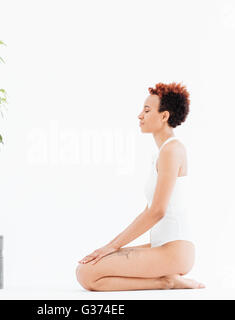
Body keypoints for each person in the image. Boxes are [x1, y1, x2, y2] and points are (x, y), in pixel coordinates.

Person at [76, 82, 205, 291]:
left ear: (164, 116)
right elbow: (151, 209)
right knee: (87, 269)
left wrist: (112, 246)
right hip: (162, 247)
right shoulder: (162, 152)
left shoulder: (172, 150)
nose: (140, 116)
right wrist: (112, 246)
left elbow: (157, 211)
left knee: (87, 273)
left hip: (175, 251)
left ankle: (166, 281)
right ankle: (168, 280)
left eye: (147, 110)